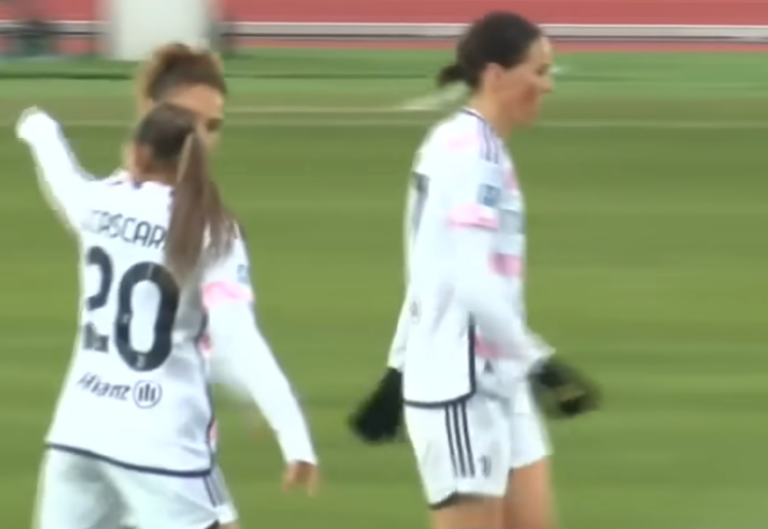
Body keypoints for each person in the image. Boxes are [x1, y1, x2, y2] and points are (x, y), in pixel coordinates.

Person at [349, 11, 599, 529]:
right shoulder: (472, 156)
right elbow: (469, 280)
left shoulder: (463, 144)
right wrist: (542, 362)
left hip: (497, 379)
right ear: (495, 75)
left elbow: (430, 265)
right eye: (538, 71)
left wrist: (398, 367)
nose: (548, 85)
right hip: (462, 389)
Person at [17, 103, 319, 529]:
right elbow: (236, 337)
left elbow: (60, 173)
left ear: (138, 153)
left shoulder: (98, 204)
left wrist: (37, 125)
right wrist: (294, 436)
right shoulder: (210, 231)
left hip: (77, 434)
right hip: (160, 444)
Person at [47, 43, 242, 529]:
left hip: (117, 435)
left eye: (212, 125)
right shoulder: (200, 227)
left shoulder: (113, 205)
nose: (200, 139)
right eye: (188, 121)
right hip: (151, 441)